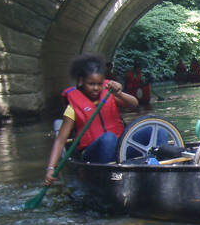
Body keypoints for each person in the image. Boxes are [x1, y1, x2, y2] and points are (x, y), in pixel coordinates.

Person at [43, 53, 138, 186]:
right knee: (109, 138)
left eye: (99, 84)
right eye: (91, 84)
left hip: (120, 148)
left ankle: (156, 168)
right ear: (81, 81)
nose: (96, 88)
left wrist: (120, 94)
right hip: (93, 153)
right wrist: (51, 168)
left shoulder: (109, 94)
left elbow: (134, 105)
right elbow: (60, 141)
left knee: (150, 130)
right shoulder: (73, 107)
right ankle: (111, 179)